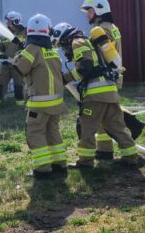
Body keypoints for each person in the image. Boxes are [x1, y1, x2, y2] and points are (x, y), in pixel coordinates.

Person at [55, 24, 139, 169]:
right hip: (110, 91)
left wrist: (65, 77)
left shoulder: (77, 42)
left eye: (62, 46)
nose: (64, 50)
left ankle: (85, 162)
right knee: (116, 127)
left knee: (87, 127)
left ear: (65, 38)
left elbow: (85, 68)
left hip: (95, 95)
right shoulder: (89, 42)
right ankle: (131, 156)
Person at [12, 14, 67, 179]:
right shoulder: (51, 50)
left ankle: (42, 170)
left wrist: (18, 55)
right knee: (52, 132)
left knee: (35, 133)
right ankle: (60, 165)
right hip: (56, 102)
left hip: (39, 103)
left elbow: (20, 68)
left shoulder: (32, 49)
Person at [80, 0, 123, 159]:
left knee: (101, 117)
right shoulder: (112, 27)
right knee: (105, 117)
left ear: (98, 10)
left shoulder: (102, 30)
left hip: (104, 78)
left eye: (89, 10)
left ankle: (106, 150)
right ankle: (105, 150)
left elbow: (102, 55)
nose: (87, 14)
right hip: (113, 77)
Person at [0, 11, 27, 106]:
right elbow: (0, 48)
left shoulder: (25, 32)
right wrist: (1, 55)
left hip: (18, 64)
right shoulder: (4, 33)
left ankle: (20, 105)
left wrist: (19, 54)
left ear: (15, 21)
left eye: (9, 21)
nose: (7, 23)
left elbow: (27, 47)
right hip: (6, 64)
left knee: (19, 85)